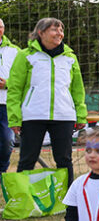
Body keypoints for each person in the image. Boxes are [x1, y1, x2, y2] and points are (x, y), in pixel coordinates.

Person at [7, 18, 86, 183]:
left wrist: (80, 115)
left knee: (64, 161)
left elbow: (78, 90)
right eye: (54, 29)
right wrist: (15, 118)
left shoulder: (70, 57)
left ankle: (68, 203)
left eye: (61, 30)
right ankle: (23, 202)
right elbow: (15, 89)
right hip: (33, 116)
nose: (59, 33)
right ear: (40, 32)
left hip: (64, 116)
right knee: (27, 160)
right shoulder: (25, 55)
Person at [0, 18, 22, 173]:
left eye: (0, 27)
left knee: (7, 141)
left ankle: (2, 173)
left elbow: (22, 77)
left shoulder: (15, 51)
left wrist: (7, 83)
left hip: (6, 104)